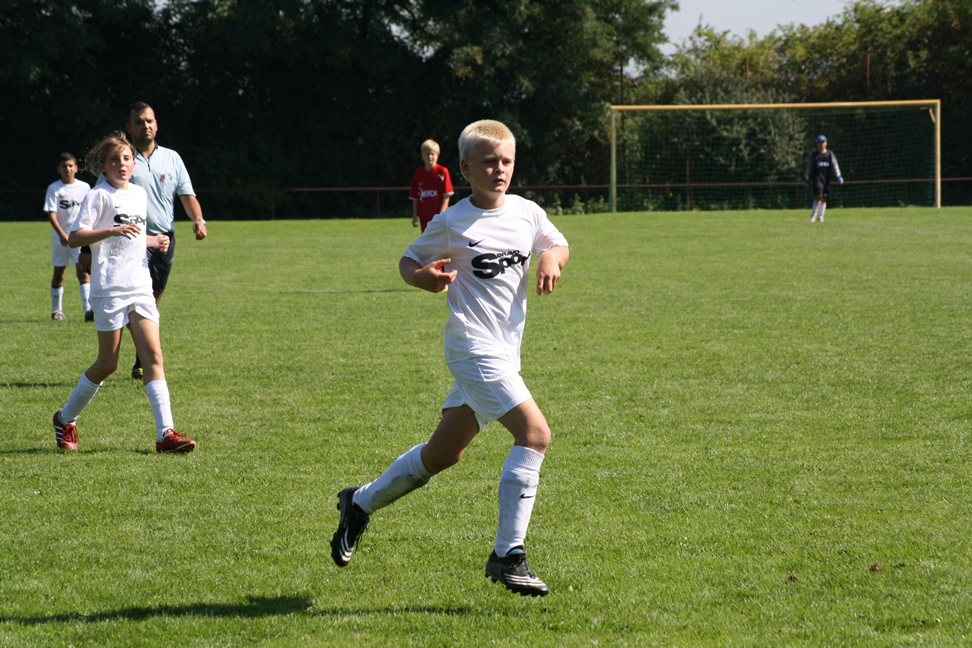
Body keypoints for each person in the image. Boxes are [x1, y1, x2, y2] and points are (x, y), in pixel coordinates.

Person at [331, 120, 570, 597]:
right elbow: (408, 261)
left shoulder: (527, 212)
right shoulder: (452, 221)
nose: (499, 169)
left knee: (444, 454)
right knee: (535, 434)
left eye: (506, 161)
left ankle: (359, 503)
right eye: (488, 162)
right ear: (464, 168)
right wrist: (423, 278)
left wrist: (550, 258)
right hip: (471, 348)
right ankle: (508, 555)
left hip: (505, 352)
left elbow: (557, 243)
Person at [52, 132, 196, 454]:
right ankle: (65, 418)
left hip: (140, 286)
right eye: (114, 160)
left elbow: (132, 236)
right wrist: (111, 230)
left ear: (134, 164)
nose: (122, 164)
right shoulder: (98, 196)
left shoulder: (139, 194)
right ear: (103, 166)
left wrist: (153, 241)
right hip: (109, 289)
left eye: (127, 159)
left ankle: (165, 434)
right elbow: (75, 237)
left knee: (153, 356)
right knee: (108, 363)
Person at [124, 102, 208, 379]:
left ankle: (141, 358)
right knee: (133, 300)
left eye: (149, 120)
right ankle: (140, 358)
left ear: (156, 124)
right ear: (129, 127)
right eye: (139, 121)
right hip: (130, 238)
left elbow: (187, 194)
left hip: (163, 240)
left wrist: (198, 219)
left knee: (152, 300)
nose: (145, 126)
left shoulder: (172, 158)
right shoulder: (121, 159)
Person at [44, 153, 92, 321]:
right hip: (61, 239)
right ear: (58, 169)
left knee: (83, 271)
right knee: (59, 274)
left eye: (71, 166)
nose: (68, 169)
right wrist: (62, 234)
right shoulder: (54, 188)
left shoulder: (85, 188)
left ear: (76, 168)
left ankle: (88, 310)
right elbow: (51, 213)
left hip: (79, 238)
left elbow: (89, 212)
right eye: (64, 166)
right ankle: (56, 311)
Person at [409, 139, 454, 233]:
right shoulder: (418, 174)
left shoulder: (442, 172)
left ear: (438, 155)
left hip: (440, 215)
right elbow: (415, 197)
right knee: (427, 237)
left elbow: (446, 196)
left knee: (442, 238)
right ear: (422, 155)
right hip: (424, 215)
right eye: (427, 154)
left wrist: (441, 215)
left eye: (432, 154)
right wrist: (414, 216)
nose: (430, 157)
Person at [804, 134, 843, 222]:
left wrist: (838, 175)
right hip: (817, 178)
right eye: (820, 142)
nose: (821, 144)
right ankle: (813, 216)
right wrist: (806, 176)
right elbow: (809, 166)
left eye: (823, 142)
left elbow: (834, 165)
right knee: (819, 195)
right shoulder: (815, 155)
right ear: (817, 144)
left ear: (826, 143)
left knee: (824, 197)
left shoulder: (829, 154)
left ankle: (820, 216)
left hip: (827, 179)